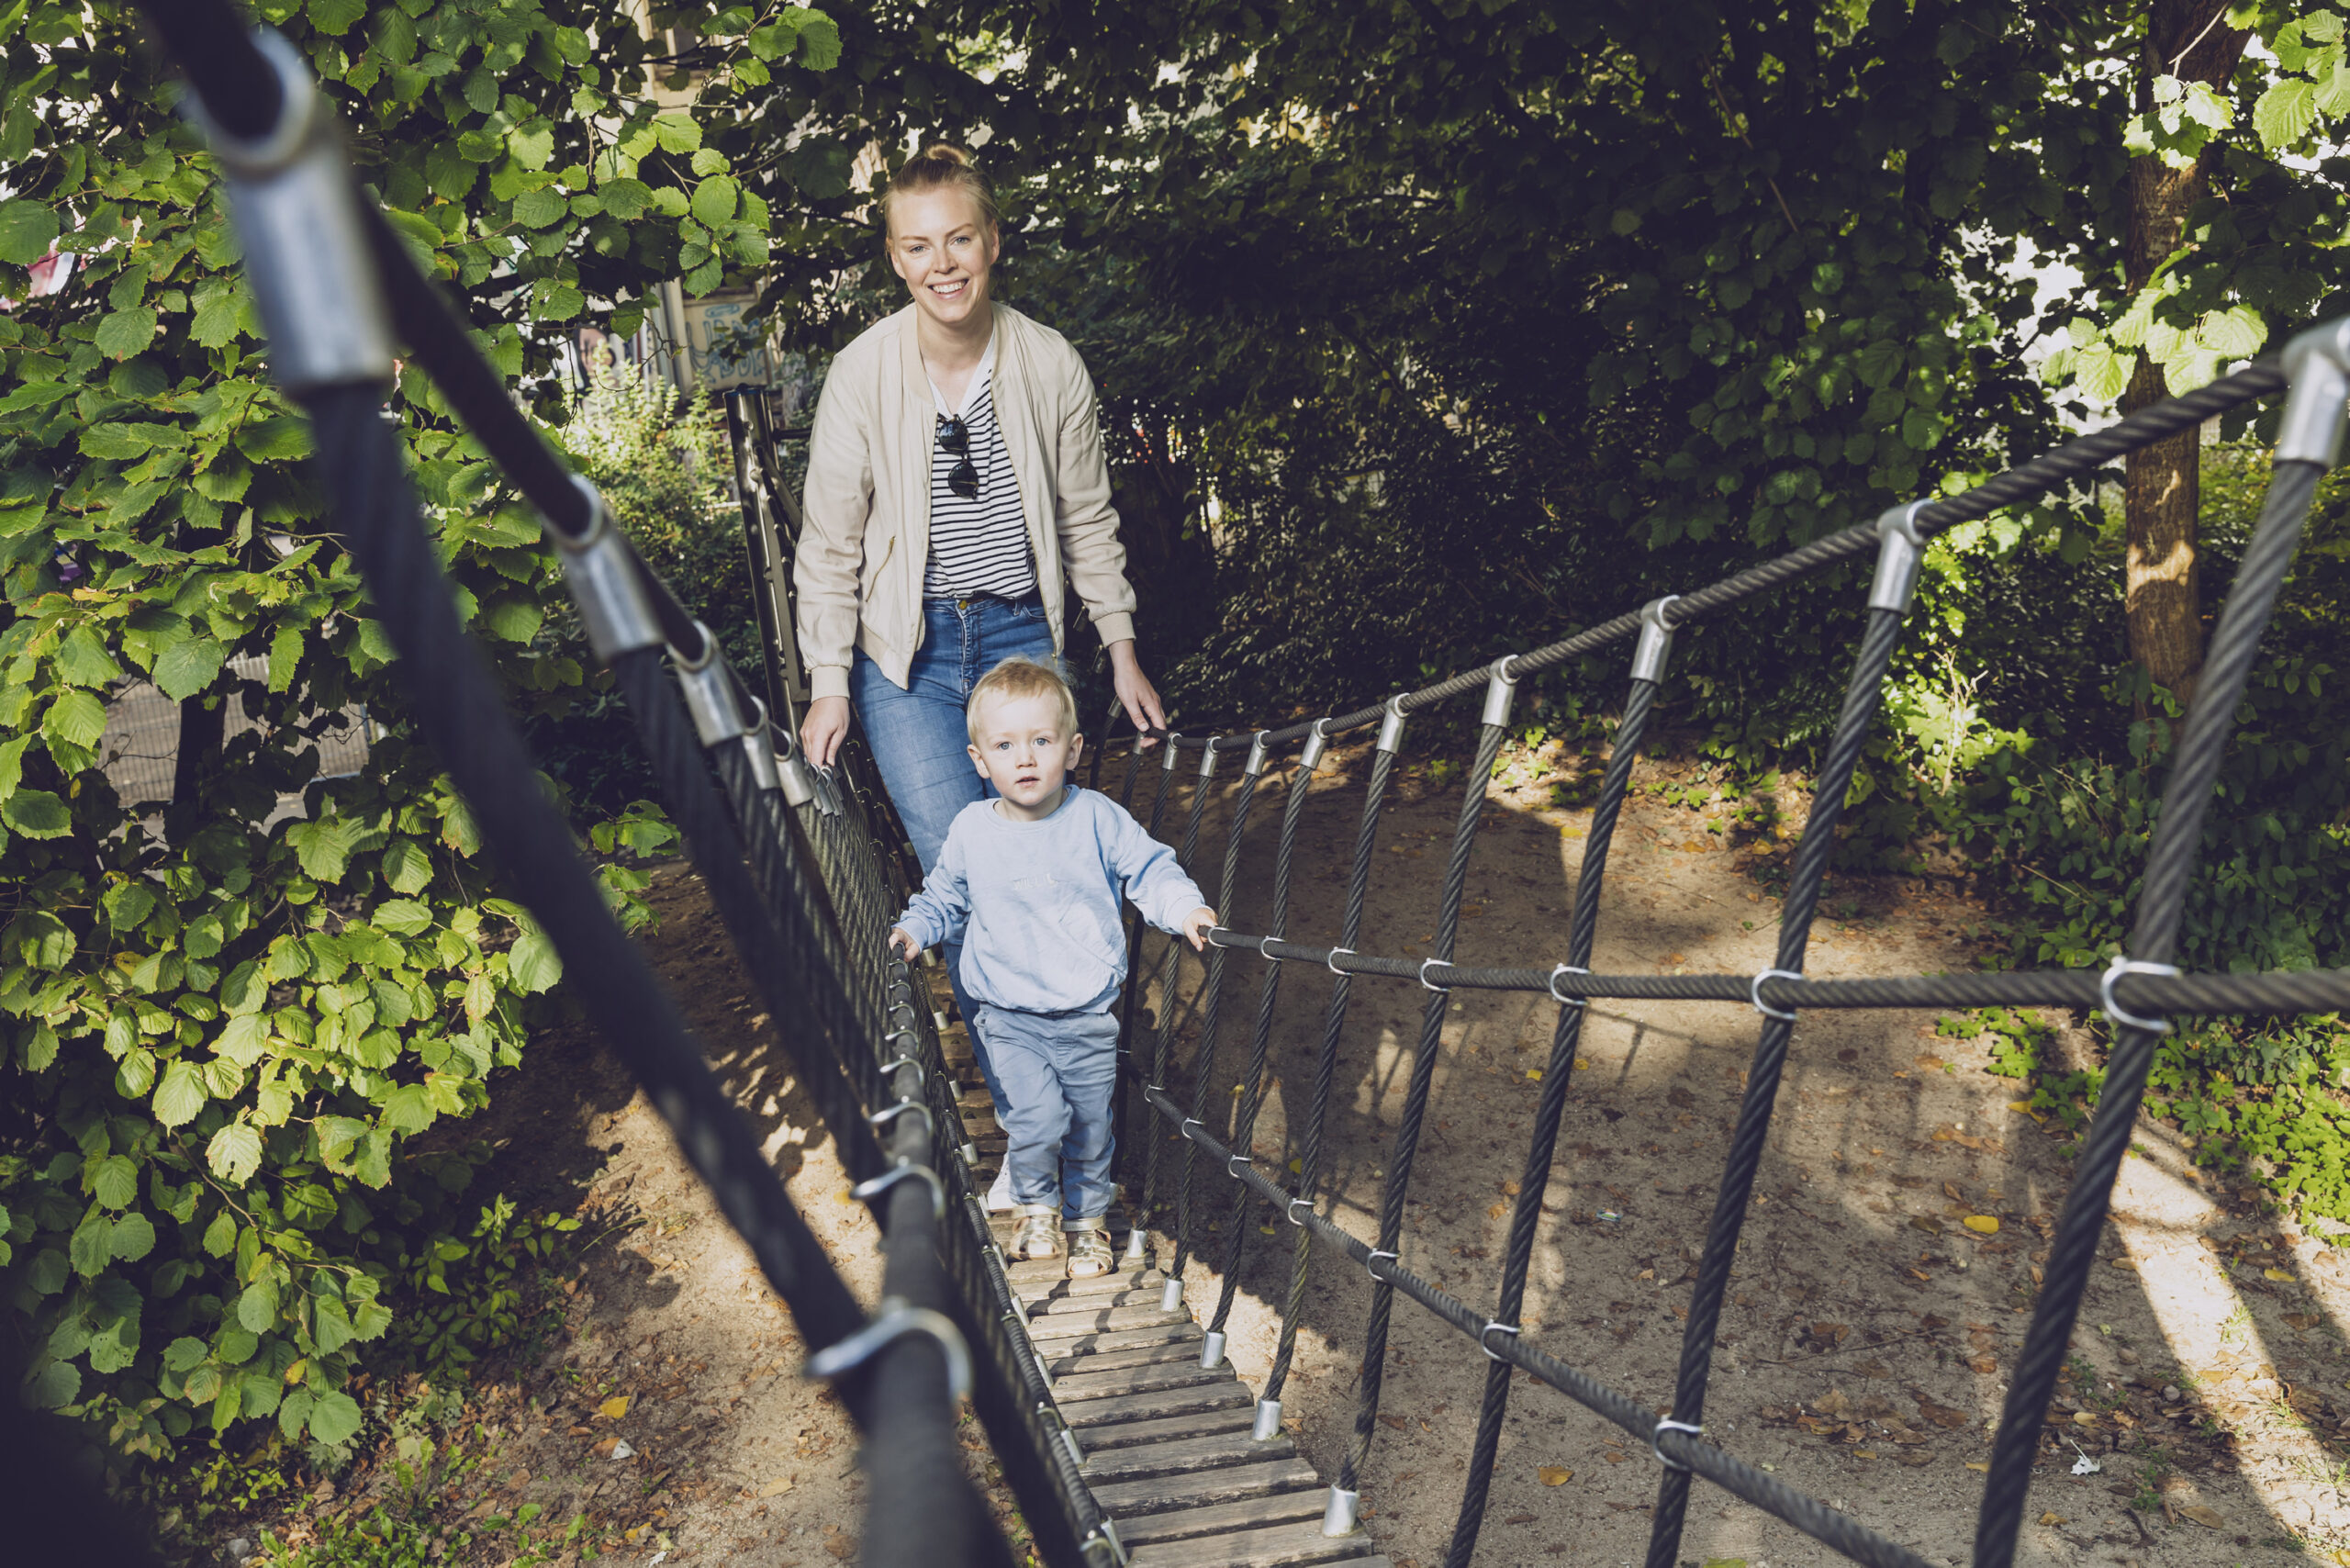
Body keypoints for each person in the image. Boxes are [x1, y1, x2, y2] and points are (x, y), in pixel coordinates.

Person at [794, 143, 1171, 1204]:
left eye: (959, 238)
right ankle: (1033, 1130)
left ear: (992, 241)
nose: (942, 263)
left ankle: (1074, 1079)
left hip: (1022, 644)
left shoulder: (1047, 363)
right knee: (971, 879)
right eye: (917, 246)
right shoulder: (863, 373)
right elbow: (827, 543)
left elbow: (1087, 519)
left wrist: (1121, 643)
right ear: (893, 258)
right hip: (906, 661)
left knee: (1047, 866)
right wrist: (831, 678)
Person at [887, 658, 1214, 1276]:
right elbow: (945, 898)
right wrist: (914, 929)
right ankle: (1036, 1205)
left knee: (1091, 1126)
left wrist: (1186, 908)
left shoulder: (1095, 817)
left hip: (1087, 1012)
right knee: (1037, 1116)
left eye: (1042, 741)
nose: (1026, 758)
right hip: (1007, 1016)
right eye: (1006, 746)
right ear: (980, 761)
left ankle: (1087, 1222)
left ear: (1073, 748)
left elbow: (1149, 869)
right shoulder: (971, 830)